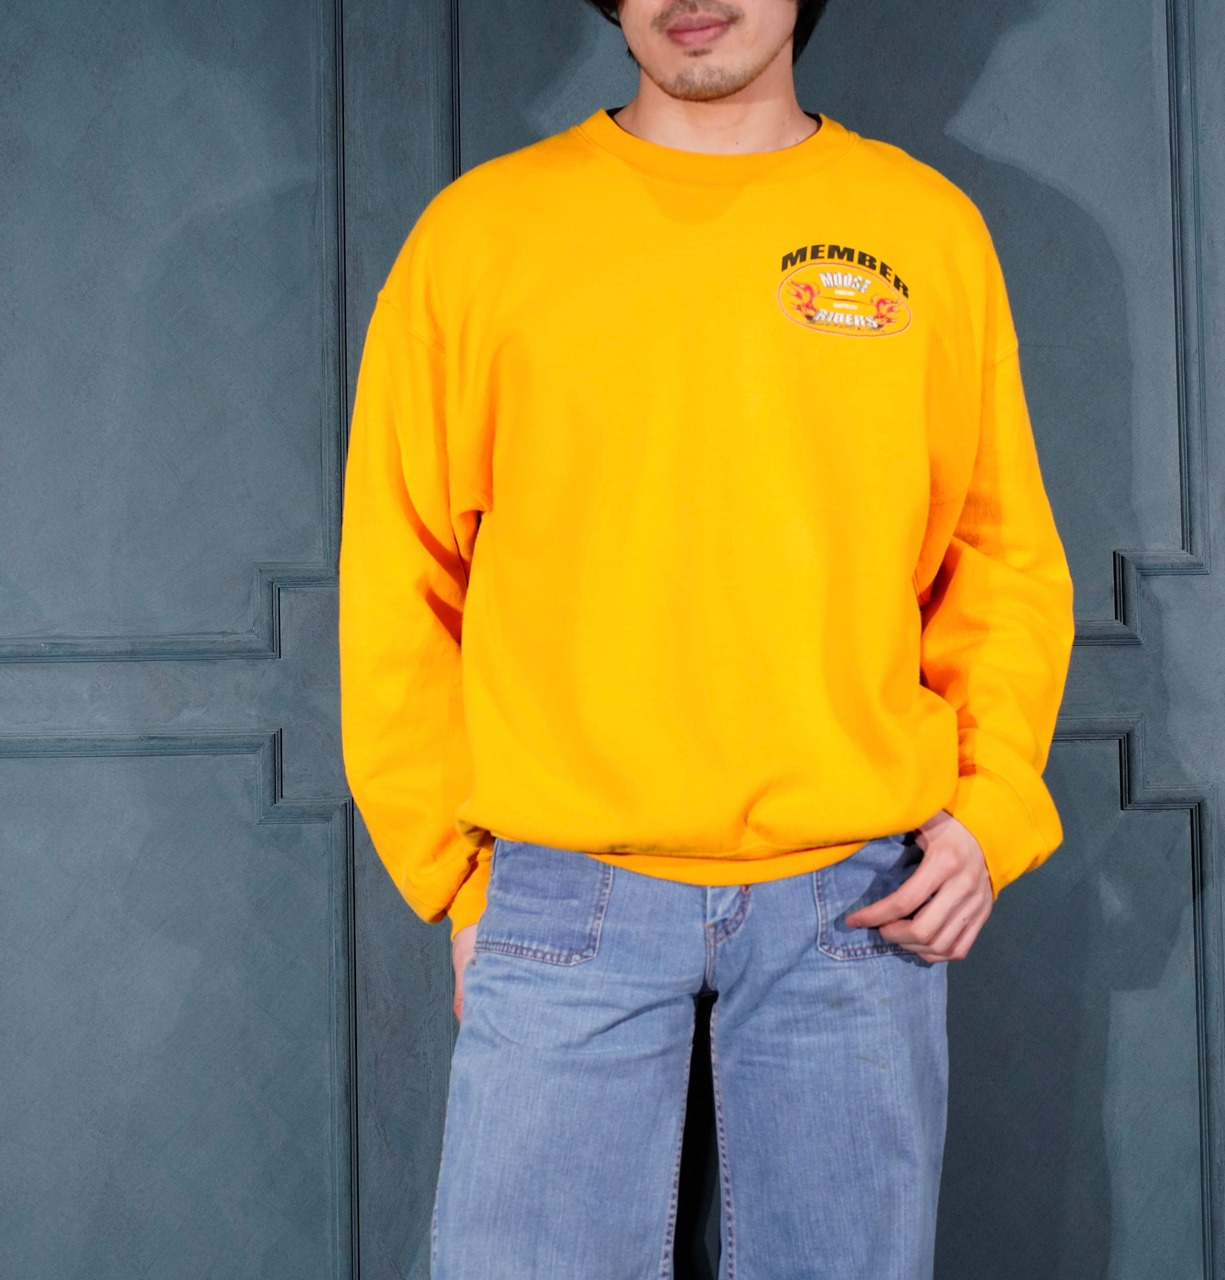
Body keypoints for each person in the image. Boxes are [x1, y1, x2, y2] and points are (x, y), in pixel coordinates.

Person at [337, 0, 1075, 1274]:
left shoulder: (925, 230)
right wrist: (457, 878)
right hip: (562, 891)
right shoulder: (479, 235)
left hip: (857, 899)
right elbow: (396, 579)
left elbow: (998, 554)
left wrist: (989, 806)